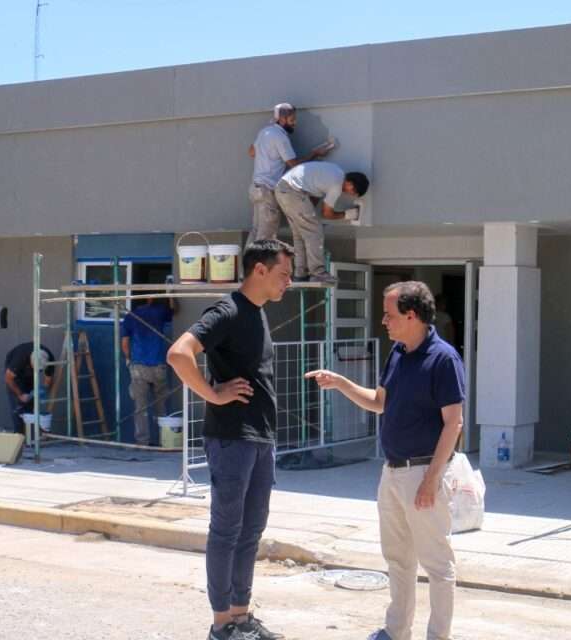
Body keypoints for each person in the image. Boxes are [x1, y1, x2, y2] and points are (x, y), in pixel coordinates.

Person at [305, 281, 464, 640]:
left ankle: (439, 636)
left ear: (412, 315)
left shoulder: (444, 359)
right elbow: (380, 403)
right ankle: (396, 632)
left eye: (390, 314)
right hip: (392, 472)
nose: (383, 321)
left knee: (438, 566)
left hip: (424, 472)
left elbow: (454, 422)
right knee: (398, 560)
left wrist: (430, 479)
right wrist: (341, 383)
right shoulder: (397, 352)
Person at [166, 239, 294, 640]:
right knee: (227, 530)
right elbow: (179, 353)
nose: (288, 282)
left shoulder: (256, 314)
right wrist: (212, 393)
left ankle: (240, 616)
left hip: (260, 439)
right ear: (259, 270)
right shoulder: (228, 311)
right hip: (232, 439)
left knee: (251, 530)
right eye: (283, 274)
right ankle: (222, 623)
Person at [248, 103, 332, 246]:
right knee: (265, 238)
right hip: (267, 190)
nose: (295, 123)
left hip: (256, 189)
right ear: (282, 119)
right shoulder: (280, 137)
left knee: (257, 232)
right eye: (292, 119)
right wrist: (315, 153)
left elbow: (251, 152)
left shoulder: (265, 132)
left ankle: (246, 267)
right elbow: (293, 164)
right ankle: (255, 267)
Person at [274, 161, 369, 284]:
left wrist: (309, 216)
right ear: (350, 184)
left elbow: (312, 195)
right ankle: (318, 273)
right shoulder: (336, 185)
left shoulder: (336, 171)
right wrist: (347, 215)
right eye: (354, 193)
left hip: (283, 189)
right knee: (315, 232)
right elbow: (327, 213)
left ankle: (300, 274)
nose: (351, 195)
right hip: (292, 191)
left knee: (300, 234)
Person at [120, 294, 174, 445]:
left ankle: (142, 442)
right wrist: (171, 293)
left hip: (138, 367)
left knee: (140, 408)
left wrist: (129, 358)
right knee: (161, 406)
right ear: (151, 298)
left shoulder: (131, 316)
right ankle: (164, 440)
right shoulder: (160, 311)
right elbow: (174, 310)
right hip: (158, 365)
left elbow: (125, 342)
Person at [3, 341, 55, 435]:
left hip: (30, 373)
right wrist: (20, 395)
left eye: (40, 370)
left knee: (31, 400)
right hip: (15, 373)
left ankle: (31, 436)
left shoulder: (49, 358)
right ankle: (19, 436)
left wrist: (41, 391)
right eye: (35, 368)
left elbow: (48, 380)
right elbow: (8, 378)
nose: (38, 371)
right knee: (18, 405)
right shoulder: (19, 359)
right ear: (31, 361)